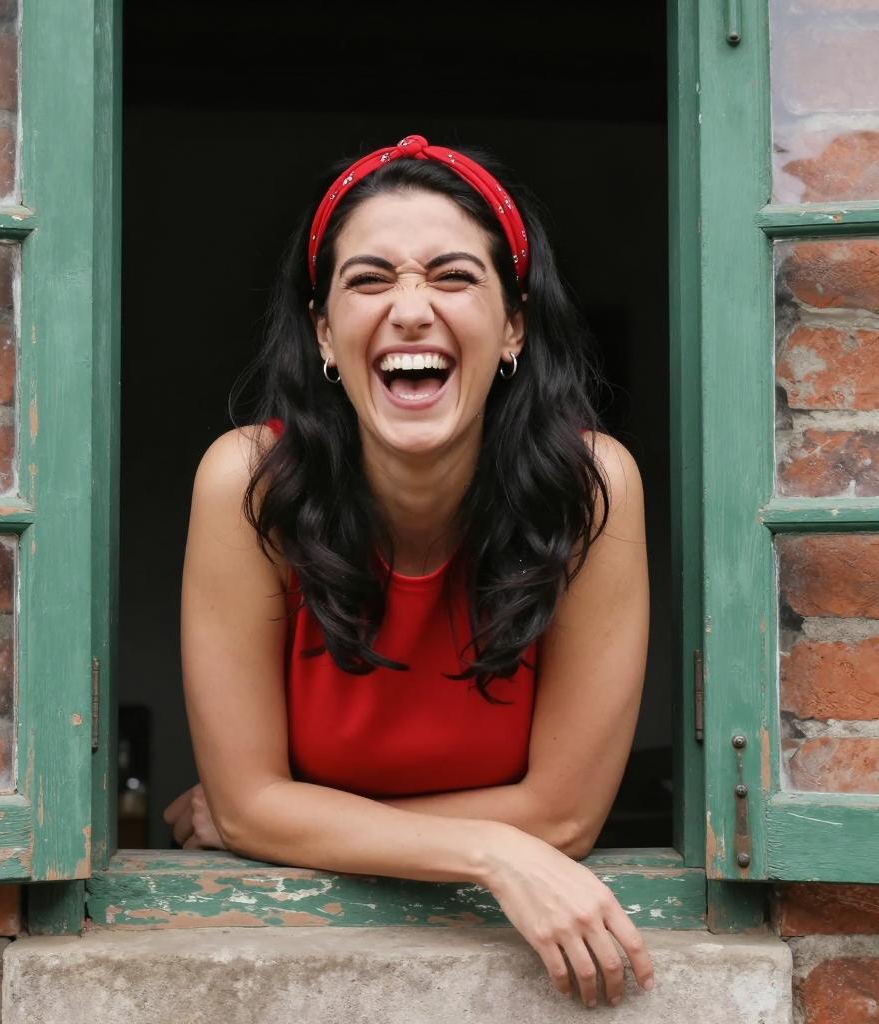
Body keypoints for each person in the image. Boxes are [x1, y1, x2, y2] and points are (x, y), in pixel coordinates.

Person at [163, 134, 652, 1008]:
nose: (412, 310)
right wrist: (494, 850)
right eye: (369, 279)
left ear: (514, 326)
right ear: (323, 331)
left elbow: (565, 816)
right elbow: (248, 807)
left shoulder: (591, 490)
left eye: (454, 277)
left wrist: (286, 823)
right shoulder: (247, 485)